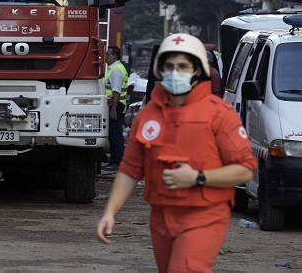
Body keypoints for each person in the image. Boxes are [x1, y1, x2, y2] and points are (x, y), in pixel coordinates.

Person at [97, 33, 256, 272]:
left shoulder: (220, 114)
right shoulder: (147, 115)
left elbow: (244, 170)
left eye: (183, 66)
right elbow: (130, 171)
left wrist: (198, 177)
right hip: (161, 216)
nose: (175, 72)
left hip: (204, 215)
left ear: (197, 70)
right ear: (160, 70)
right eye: (169, 66)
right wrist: (110, 212)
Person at [102, 46, 129, 172]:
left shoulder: (116, 70)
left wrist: (113, 109)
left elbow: (116, 92)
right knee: (112, 134)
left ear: (114, 56)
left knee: (115, 134)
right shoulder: (114, 68)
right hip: (115, 104)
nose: (106, 56)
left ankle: (117, 162)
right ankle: (113, 160)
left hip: (116, 105)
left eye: (108, 54)